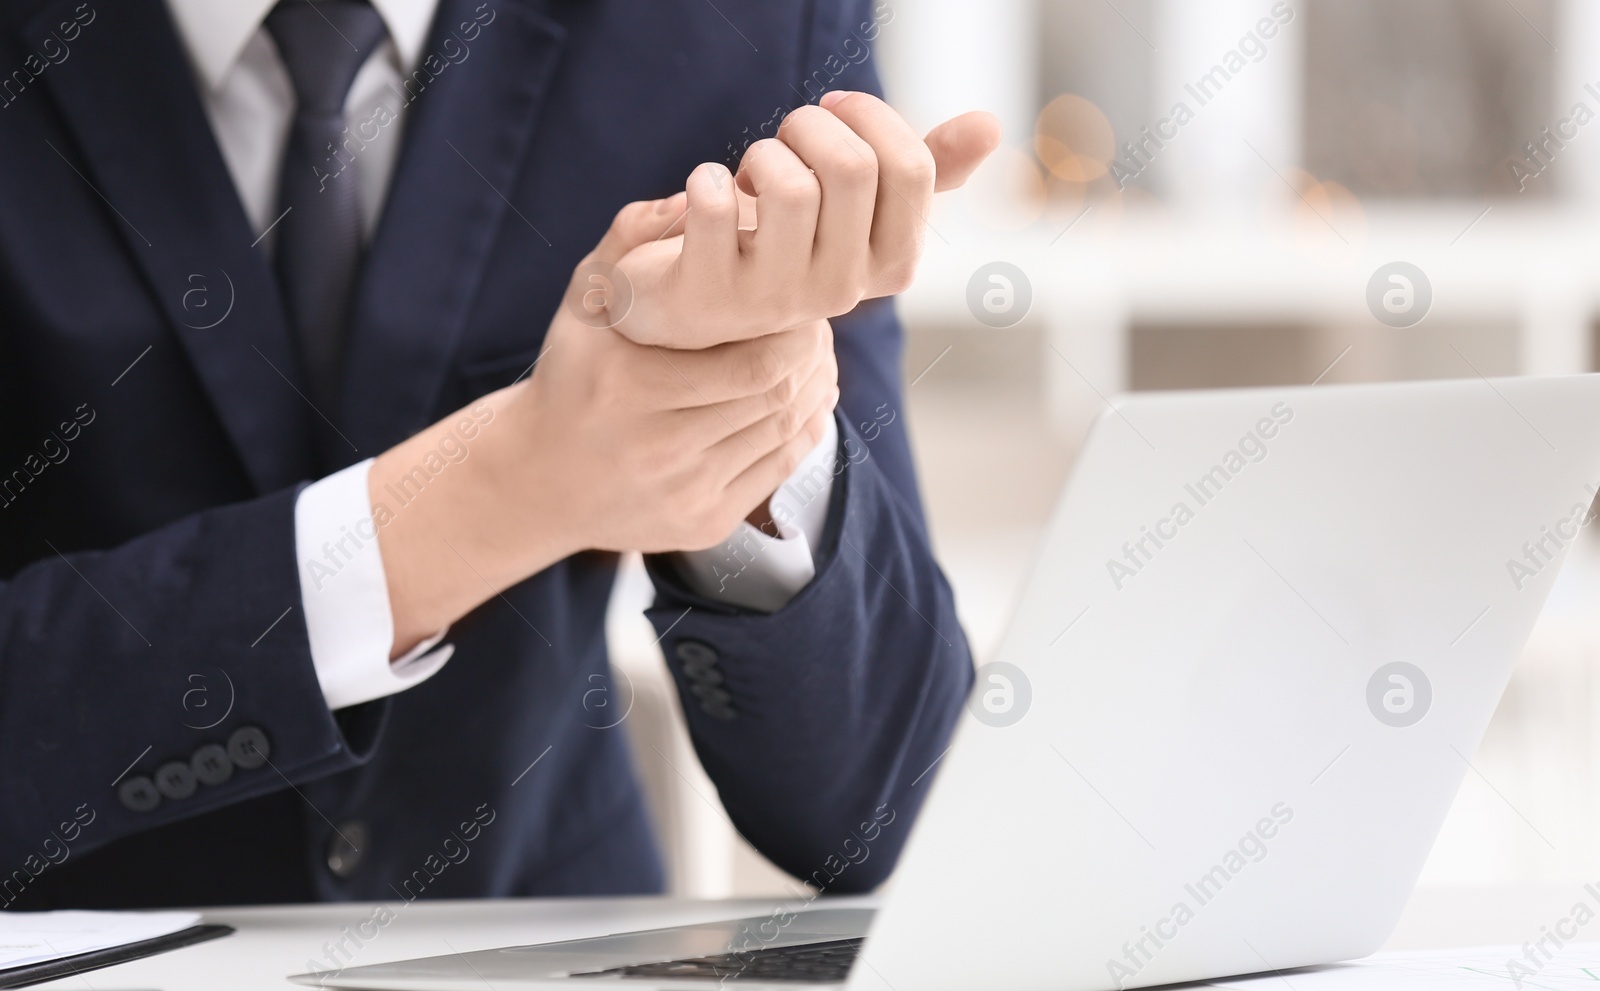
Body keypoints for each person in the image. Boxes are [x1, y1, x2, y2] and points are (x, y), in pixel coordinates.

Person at [0, 0, 998, 909]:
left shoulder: (742, 24)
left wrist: (746, 432)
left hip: (541, 929)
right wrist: (505, 488)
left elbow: (887, 808)